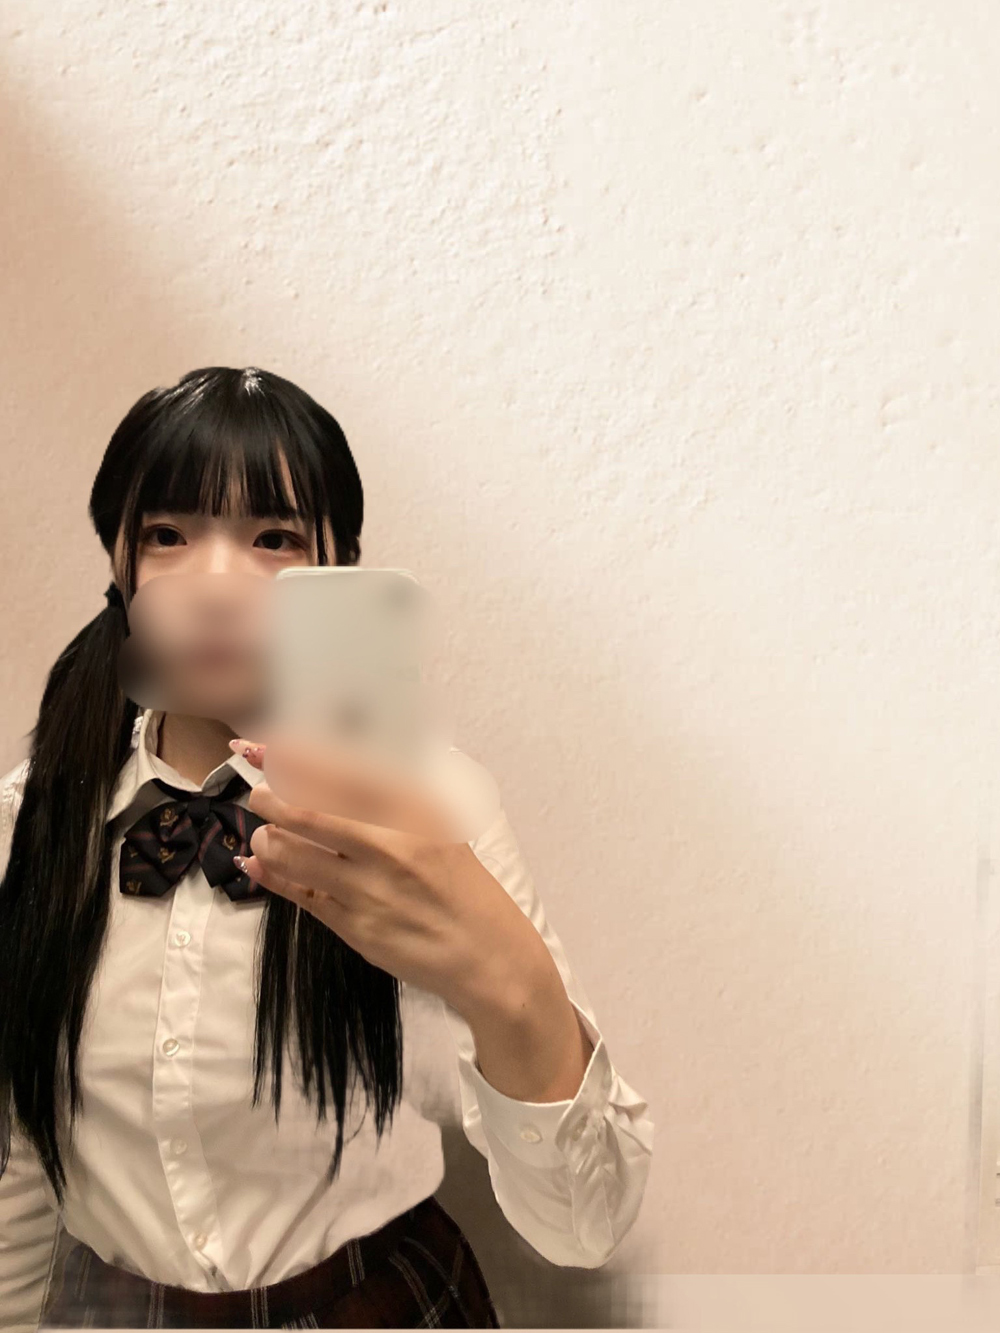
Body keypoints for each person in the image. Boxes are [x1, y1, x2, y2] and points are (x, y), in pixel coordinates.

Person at [0, 365, 654, 1330]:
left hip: (375, 1304)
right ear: (120, 568)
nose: (217, 585)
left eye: (274, 539)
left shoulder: (430, 809)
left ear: (340, 569)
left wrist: (509, 984)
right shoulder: (35, 817)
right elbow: (17, 1151)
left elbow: (584, 1225)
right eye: (168, 534)